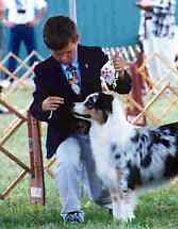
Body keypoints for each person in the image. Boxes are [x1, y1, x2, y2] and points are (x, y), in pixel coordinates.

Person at [29, 16, 131, 223]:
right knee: (67, 162)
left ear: (77, 39)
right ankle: (71, 211)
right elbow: (35, 106)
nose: (65, 58)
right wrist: (43, 105)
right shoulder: (43, 70)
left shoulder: (95, 56)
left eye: (68, 52)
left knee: (97, 185)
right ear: (49, 49)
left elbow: (120, 88)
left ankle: (110, 203)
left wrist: (121, 74)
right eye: (58, 55)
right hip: (65, 132)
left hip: (97, 132)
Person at [136, 0, 178, 90]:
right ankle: (157, 88)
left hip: (163, 32)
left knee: (165, 60)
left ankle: (171, 87)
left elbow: (164, 8)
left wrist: (149, 5)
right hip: (147, 30)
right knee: (151, 61)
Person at [1, 0, 47, 86]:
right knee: (12, 53)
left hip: (28, 26)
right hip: (14, 27)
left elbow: (43, 6)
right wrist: (4, 21)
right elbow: (1, 6)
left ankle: (35, 78)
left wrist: (36, 20)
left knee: (33, 53)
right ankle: (10, 79)